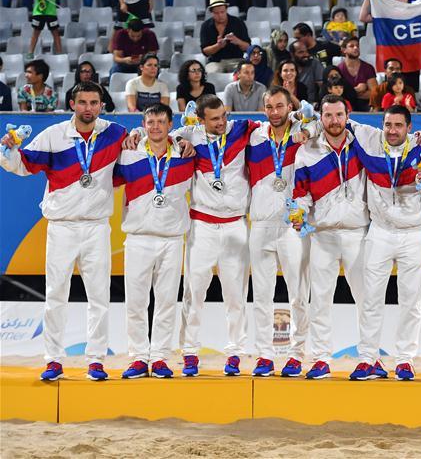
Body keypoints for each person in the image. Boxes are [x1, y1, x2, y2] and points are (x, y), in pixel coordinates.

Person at [1, 81, 127, 381]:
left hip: (97, 227)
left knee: (99, 296)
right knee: (55, 294)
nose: (88, 108)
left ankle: (96, 360)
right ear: (73, 104)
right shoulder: (54, 136)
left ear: (101, 105)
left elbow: (142, 147)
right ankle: (53, 360)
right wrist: (8, 148)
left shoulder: (115, 134)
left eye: (94, 103)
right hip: (62, 227)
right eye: (82, 102)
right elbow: (22, 166)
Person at [177, 95, 259, 377]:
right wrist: (180, 141)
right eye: (214, 119)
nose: (221, 122)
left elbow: (277, 124)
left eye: (223, 116)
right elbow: (165, 136)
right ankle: (189, 352)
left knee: (236, 293)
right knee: (194, 291)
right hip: (201, 225)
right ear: (201, 121)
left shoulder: (240, 128)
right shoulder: (190, 134)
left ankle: (235, 352)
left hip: (235, 224)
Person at [348, 105, 421, 381]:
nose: (392, 130)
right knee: (371, 298)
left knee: (411, 300)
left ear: (409, 128)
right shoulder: (369, 140)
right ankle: (367, 359)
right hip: (380, 232)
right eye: (388, 125)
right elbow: (336, 120)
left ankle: (405, 360)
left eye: (398, 125)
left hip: (413, 233)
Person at [291, 95, 372, 380]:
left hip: (356, 233)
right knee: (320, 300)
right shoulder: (307, 151)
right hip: (322, 235)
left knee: (366, 298)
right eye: (328, 116)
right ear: (320, 118)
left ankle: (369, 358)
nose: (334, 121)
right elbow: (300, 192)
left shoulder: (363, 143)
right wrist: (298, 212)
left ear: (347, 115)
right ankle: (321, 359)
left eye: (339, 115)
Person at [116, 103, 195, 380]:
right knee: (136, 302)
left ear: (171, 124)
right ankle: (138, 357)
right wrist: (134, 133)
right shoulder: (128, 154)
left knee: (165, 301)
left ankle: (160, 357)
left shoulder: (186, 153)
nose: (156, 127)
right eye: (150, 122)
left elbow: (202, 131)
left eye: (161, 121)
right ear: (143, 124)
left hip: (172, 239)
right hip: (138, 237)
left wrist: (184, 139)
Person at [246, 86, 311, 377]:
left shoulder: (305, 132)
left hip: (291, 226)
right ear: (264, 109)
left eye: (280, 106)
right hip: (259, 225)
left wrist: (305, 118)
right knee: (262, 295)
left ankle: (297, 354)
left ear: (289, 107)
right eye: (270, 107)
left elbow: (327, 122)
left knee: (299, 293)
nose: (275, 112)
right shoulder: (253, 136)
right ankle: (265, 355)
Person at [200, 0, 251, 73]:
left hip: (236, 60)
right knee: (213, 72)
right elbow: (205, 51)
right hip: (215, 61)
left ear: (226, 9)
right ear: (211, 12)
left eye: (222, 12)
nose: (220, 15)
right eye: (216, 13)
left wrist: (238, 41)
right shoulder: (206, 26)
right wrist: (218, 46)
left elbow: (248, 47)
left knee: (243, 72)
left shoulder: (238, 23)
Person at [337, 36, 378, 111]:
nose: (356, 48)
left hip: (365, 104)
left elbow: (374, 93)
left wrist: (350, 93)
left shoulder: (368, 68)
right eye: (351, 46)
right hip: (345, 105)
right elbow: (337, 93)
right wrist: (357, 90)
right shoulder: (339, 69)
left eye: (357, 46)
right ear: (344, 50)